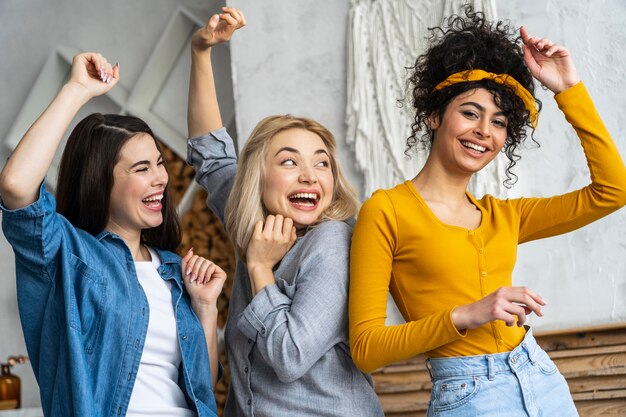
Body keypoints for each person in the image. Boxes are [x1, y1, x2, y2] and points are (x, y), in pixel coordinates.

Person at [349, 8, 626, 417]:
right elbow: (365, 349)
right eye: (470, 112)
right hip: (468, 395)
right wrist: (466, 314)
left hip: (541, 378)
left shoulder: (503, 216)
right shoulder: (385, 211)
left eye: (499, 122)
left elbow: (613, 191)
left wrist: (569, 89)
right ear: (434, 114)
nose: (484, 131)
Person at [0, 52, 226, 417]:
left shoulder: (172, 270)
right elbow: (15, 185)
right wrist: (76, 90)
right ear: (99, 183)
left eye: (159, 164)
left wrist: (205, 308)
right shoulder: (67, 256)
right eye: (141, 168)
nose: (161, 179)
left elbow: (201, 385)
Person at [186, 7, 384, 417]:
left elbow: (290, 356)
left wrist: (259, 268)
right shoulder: (251, 221)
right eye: (290, 162)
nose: (310, 176)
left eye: (322, 163)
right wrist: (201, 51)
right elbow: (211, 156)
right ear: (259, 178)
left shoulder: (333, 243)